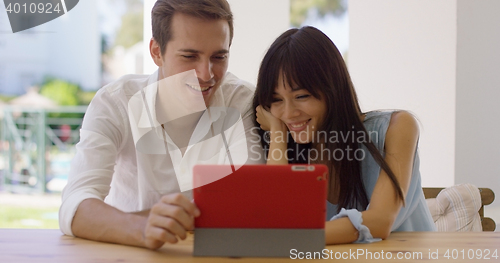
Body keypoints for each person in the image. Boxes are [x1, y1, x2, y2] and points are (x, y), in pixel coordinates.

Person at [59, 0, 263, 250]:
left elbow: (255, 201)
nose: (206, 74)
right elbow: (75, 205)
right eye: (189, 56)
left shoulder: (241, 101)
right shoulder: (115, 102)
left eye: (218, 57)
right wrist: (142, 228)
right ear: (156, 52)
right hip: (129, 252)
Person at [253, 26, 436, 245]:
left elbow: (380, 221)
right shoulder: (290, 149)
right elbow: (277, 220)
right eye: (276, 100)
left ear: (333, 89)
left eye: (301, 96)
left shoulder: (397, 128)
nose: (289, 113)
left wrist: (291, 237)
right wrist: (277, 131)